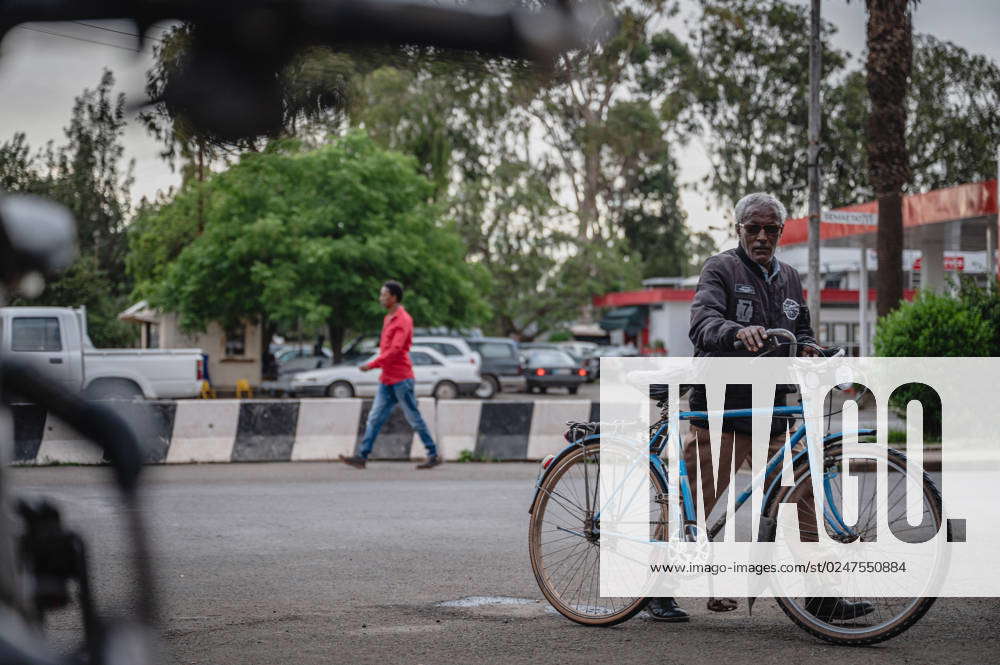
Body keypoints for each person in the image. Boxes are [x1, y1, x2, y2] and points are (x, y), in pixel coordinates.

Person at [647, 192, 873, 624]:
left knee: (800, 500)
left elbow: (800, 328)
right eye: (754, 228)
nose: (763, 236)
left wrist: (813, 350)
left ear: (781, 233)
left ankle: (821, 596)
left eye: (771, 229)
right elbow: (702, 323)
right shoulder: (721, 269)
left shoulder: (788, 276)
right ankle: (658, 588)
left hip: (772, 413)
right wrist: (736, 332)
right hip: (722, 411)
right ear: (739, 230)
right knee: (693, 502)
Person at [339, 281, 441, 470]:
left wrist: (372, 365)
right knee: (375, 418)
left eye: (384, 295)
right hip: (387, 379)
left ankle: (433, 454)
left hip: (402, 379)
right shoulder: (389, 318)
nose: (381, 298)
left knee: (414, 419)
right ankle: (362, 456)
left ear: (393, 297)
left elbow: (395, 350)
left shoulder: (403, 320)